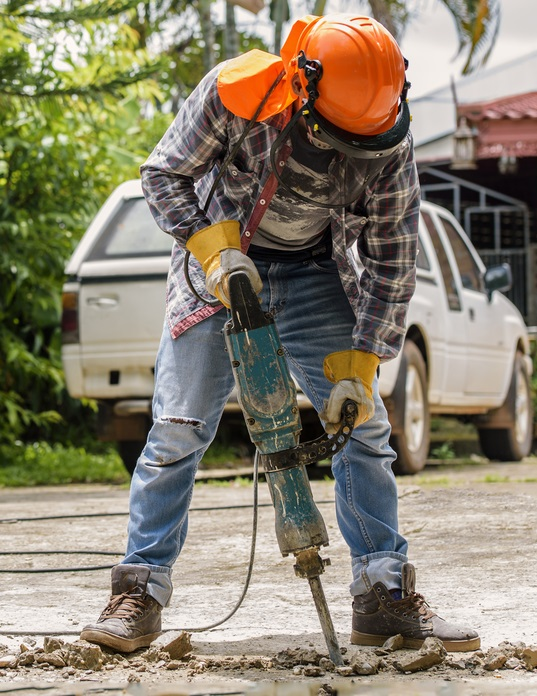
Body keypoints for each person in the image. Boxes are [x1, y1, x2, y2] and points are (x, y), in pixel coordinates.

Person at [81, 13, 479, 655]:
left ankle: (383, 595)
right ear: (303, 89)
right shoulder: (237, 94)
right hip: (220, 267)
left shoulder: (388, 136)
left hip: (317, 271)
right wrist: (211, 249)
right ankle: (138, 594)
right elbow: (163, 177)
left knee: (364, 426)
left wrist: (361, 364)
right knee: (177, 428)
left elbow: (392, 258)